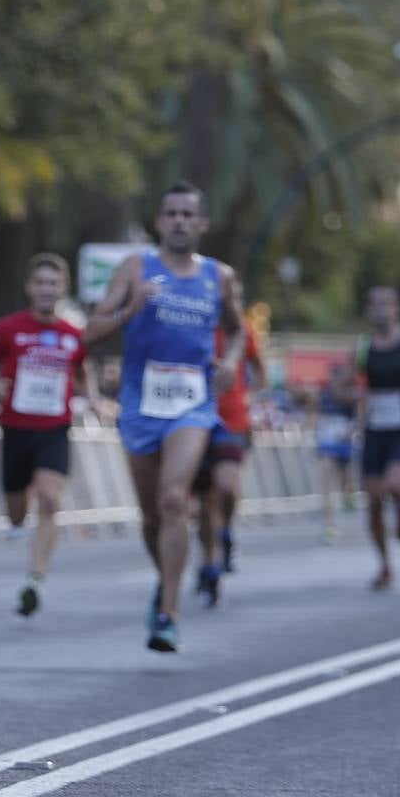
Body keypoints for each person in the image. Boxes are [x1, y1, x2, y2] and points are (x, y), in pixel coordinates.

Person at [85, 181, 246, 652]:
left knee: (175, 498)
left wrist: (232, 361)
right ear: (159, 222)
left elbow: (237, 331)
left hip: (193, 404)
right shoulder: (136, 269)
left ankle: (168, 612)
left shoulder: (220, 277)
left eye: (187, 214)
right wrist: (132, 308)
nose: (178, 221)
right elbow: (92, 329)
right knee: (153, 517)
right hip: (140, 406)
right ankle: (167, 576)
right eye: (170, 213)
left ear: (201, 224)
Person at [0, 253, 92, 617]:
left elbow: (84, 375)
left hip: (54, 429)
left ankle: (35, 579)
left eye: (53, 283)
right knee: (17, 513)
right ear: (29, 287)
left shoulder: (73, 335)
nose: (46, 289)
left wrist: (91, 396)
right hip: (16, 429)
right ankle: (19, 523)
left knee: (51, 501)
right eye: (40, 282)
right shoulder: (8, 328)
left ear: (63, 288)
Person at [356, 285, 400, 590]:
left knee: (396, 484)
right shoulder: (362, 348)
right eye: (375, 303)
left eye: (387, 303)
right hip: (375, 430)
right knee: (373, 499)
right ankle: (384, 564)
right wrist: (356, 395)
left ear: (398, 308)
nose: (381, 309)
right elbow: (343, 386)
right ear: (369, 310)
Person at [192, 320, 265, 606]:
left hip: (232, 421)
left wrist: (253, 397)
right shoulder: (190, 320)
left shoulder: (241, 329)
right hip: (194, 420)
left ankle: (226, 533)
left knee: (225, 485)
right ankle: (209, 562)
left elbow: (259, 369)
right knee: (203, 503)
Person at [314, 362, 359, 545]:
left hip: (345, 441)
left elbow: (359, 416)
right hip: (327, 441)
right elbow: (316, 411)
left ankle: (349, 496)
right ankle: (329, 524)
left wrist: (351, 430)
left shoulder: (351, 394)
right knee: (326, 482)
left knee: (347, 480)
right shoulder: (324, 394)